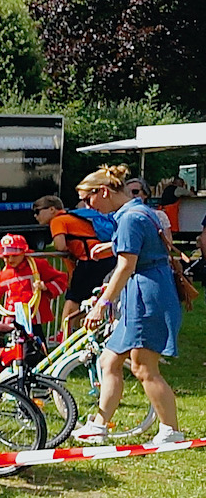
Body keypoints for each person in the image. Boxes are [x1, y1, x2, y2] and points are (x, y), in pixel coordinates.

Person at [76, 165, 186, 447]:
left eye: (89, 199)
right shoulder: (138, 211)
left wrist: (102, 304)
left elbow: (127, 266)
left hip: (147, 296)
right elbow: (144, 246)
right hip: (144, 291)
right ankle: (99, 425)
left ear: (103, 191)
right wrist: (112, 247)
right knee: (109, 360)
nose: (88, 206)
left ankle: (171, 431)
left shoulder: (129, 218)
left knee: (144, 367)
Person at [35, 192, 113, 340]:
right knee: (89, 297)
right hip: (106, 258)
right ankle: (80, 332)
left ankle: (64, 334)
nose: (35, 216)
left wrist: (69, 251)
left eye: (37, 211)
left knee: (73, 297)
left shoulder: (57, 221)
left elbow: (60, 246)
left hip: (90, 260)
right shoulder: (73, 217)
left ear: (51, 209)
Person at [0, 234, 67, 331]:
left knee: (36, 339)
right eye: (6, 257)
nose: (10, 260)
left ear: (23, 252)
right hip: (12, 317)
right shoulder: (5, 273)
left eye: (14, 256)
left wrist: (46, 287)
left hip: (33, 317)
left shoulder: (38, 265)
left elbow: (61, 278)